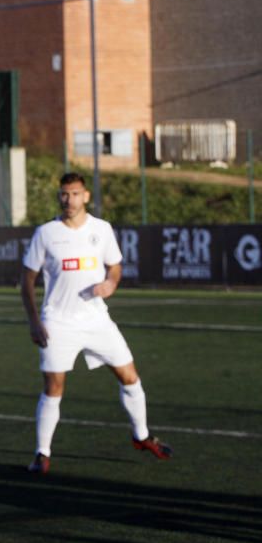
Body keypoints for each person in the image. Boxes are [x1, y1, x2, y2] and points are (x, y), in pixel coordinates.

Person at [19, 173, 172, 474]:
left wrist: (111, 284)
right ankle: (42, 453)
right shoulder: (46, 233)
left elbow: (115, 267)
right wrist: (34, 321)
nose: (69, 200)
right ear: (59, 196)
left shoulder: (102, 230)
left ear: (86, 196)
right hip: (58, 323)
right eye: (64, 194)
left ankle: (141, 435)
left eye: (75, 194)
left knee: (130, 376)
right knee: (53, 388)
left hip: (97, 319)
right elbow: (26, 279)